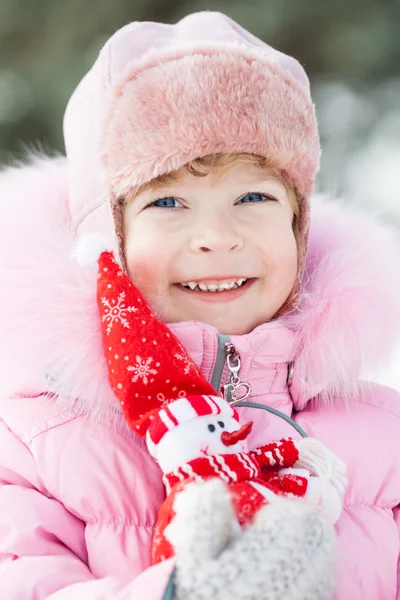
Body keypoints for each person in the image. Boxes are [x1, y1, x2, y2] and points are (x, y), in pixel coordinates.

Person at [0, 10, 400, 600]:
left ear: (298, 226)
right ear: (105, 243)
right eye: (167, 203)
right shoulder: (36, 443)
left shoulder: (383, 437)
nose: (217, 235)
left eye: (254, 195)